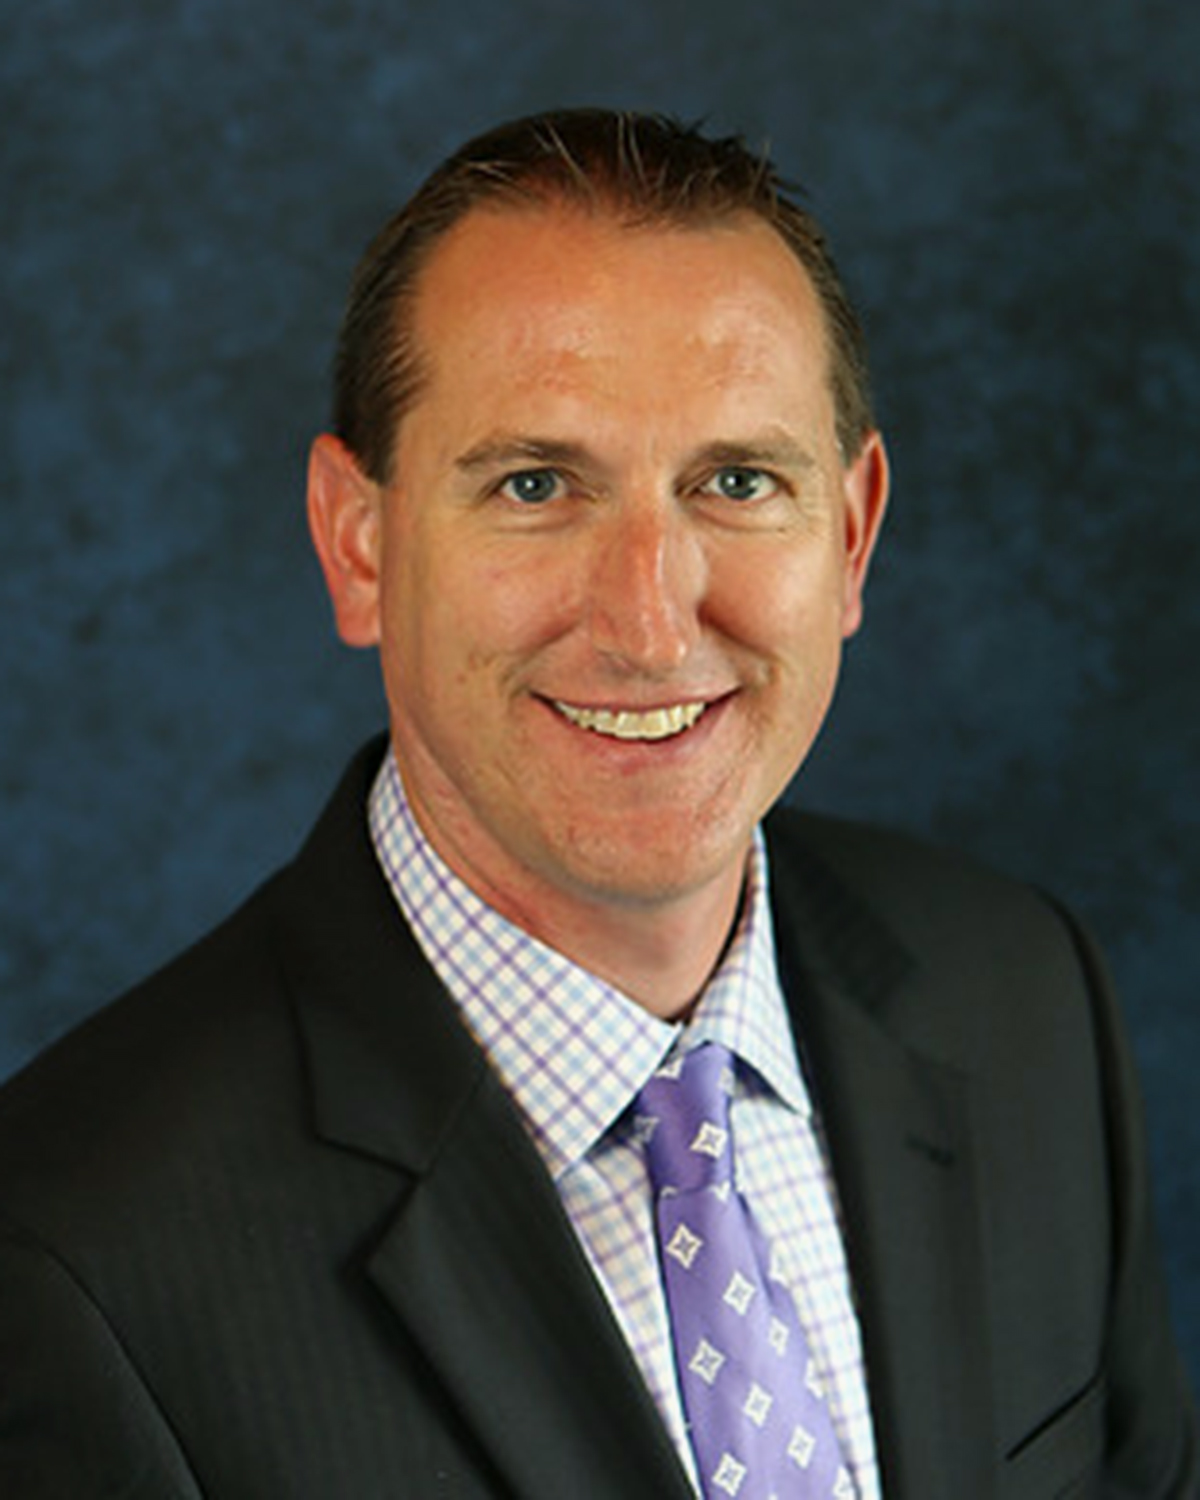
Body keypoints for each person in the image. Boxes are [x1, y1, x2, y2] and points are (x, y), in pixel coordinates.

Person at [0, 108, 1194, 1500]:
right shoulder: (74, 1259)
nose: (649, 623)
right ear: (359, 544)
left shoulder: (1025, 997)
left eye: (736, 481)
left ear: (853, 534)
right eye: (536, 485)